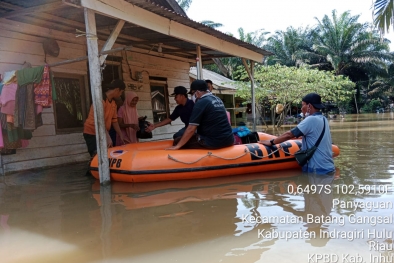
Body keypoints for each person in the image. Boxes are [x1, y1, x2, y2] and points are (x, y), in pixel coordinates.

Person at [259, 93, 335, 175]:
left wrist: (272, 142)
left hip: (317, 169)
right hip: (328, 167)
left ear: (309, 106)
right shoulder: (323, 119)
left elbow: (289, 134)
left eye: (303, 105)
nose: (301, 109)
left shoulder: (311, 119)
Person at [167, 80, 234, 150]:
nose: (192, 96)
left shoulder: (201, 102)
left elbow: (191, 128)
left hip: (213, 142)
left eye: (192, 94)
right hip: (229, 139)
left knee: (177, 141)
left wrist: (178, 146)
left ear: (197, 92)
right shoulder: (218, 99)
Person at [83, 79, 129, 157]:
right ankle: (92, 169)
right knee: (97, 156)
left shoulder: (113, 103)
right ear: (117, 90)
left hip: (103, 132)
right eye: (121, 92)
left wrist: (121, 135)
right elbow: (99, 121)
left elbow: (114, 121)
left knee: (106, 156)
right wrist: (107, 137)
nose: (121, 95)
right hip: (92, 132)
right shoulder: (100, 100)